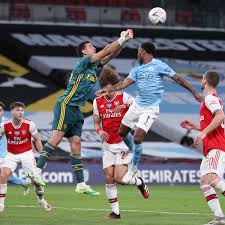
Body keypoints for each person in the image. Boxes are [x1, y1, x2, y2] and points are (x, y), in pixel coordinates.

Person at [30, 29, 134, 196]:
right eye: (91, 46)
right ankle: (35, 171)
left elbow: (110, 54)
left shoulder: (93, 68)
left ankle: (80, 184)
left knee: (76, 144)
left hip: (76, 110)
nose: (94, 48)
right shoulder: (83, 62)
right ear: (84, 52)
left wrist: (124, 43)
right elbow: (105, 51)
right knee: (56, 137)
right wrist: (121, 39)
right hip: (66, 104)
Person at [96, 42, 203, 183]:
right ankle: (135, 151)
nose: (137, 53)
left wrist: (194, 92)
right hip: (137, 105)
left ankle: (133, 166)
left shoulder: (159, 65)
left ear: (142, 52)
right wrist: (107, 90)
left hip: (150, 108)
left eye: (138, 51)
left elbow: (178, 78)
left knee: (138, 138)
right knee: (122, 132)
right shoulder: (137, 69)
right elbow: (123, 84)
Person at [93, 67, 149, 220]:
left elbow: (140, 109)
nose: (108, 91)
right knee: (109, 177)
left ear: (115, 85)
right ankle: (115, 213)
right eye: (105, 88)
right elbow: (97, 124)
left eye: (111, 87)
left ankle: (139, 182)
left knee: (119, 178)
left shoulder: (125, 97)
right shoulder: (97, 102)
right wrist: (99, 132)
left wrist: (124, 107)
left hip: (123, 144)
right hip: (107, 145)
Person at [181, 70, 225, 225]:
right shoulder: (210, 99)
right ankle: (220, 217)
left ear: (205, 80)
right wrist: (196, 127)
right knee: (205, 182)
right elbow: (215, 123)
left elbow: (220, 116)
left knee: (213, 179)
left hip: (216, 146)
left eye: (201, 78)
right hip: (209, 148)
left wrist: (204, 133)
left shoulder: (210, 98)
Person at [0, 102, 51, 212]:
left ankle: (41, 200)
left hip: (26, 154)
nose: (20, 112)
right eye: (18, 110)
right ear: (12, 112)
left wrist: (42, 157)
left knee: (36, 181)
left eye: (22, 110)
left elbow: (37, 139)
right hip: (11, 154)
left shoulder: (29, 124)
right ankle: (1, 205)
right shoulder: (4, 125)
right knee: (3, 174)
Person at [0, 101, 30, 196]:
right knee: (6, 176)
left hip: (5, 155)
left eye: (0, 110)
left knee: (4, 175)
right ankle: (24, 183)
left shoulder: (8, 123)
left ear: (3, 112)